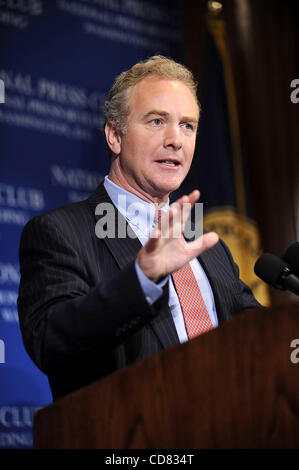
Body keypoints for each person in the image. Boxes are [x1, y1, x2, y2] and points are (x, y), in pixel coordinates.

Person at [17, 56, 259, 401]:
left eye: (188, 126)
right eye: (157, 121)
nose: (176, 139)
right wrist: (142, 278)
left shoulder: (208, 246)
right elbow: (50, 341)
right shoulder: (60, 233)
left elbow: (256, 334)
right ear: (115, 136)